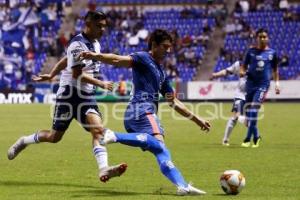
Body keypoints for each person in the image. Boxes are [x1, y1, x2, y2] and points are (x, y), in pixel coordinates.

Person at [78, 29, 211, 195]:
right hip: (142, 109)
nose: (168, 50)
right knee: (160, 147)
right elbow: (118, 59)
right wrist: (95, 56)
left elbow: (174, 102)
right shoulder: (143, 58)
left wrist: (197, 120)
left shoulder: (162, 74)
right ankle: (113, 135)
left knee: (161, 150)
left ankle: (182, 186)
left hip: (137, 113)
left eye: (170, 47)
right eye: (165, 46)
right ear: (154, 45)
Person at [7, 11, 127, 182]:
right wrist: (101, 84)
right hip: (69, 95)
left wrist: (51, 74)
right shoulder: (77, 44)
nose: (102, 30)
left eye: (104, 26)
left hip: (86, 96)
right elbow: (76, 74)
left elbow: (65, 60)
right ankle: (24, 141)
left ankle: (103, 169)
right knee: (54, 137)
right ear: (88, 24)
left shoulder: (96, 44)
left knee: (98, 130)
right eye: (99, 26)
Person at [240, 28, 280, 148]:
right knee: (248, 113)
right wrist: (242, 72)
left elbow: (275, 70)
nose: (262, 39)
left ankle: (247, 139)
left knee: (253, 110)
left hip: (263, 85)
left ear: (268, 38)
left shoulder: (272, 53)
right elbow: (243, 66)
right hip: (250, 84)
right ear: (257, 38)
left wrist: (277, 84)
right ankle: (256, 136)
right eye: (260, 37)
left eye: (264, 37)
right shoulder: (251, 51)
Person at [210, 60, 246, 146]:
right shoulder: (239, 64)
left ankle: (251, 129)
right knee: (236, 116)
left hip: (252, 95)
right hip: (240, 94)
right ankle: (225, 139)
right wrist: (215, 75)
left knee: (237, 117)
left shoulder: (257, 65)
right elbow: (227, 71)